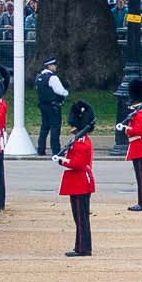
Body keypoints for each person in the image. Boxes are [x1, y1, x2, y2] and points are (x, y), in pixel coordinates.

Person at [55, 100, 94, 258]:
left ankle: (83, 248)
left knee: (80, 217)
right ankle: (81, 246)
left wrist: (62, 160)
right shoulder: (79, 141)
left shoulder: (81, 143)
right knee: (79, 217)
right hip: (79, 183)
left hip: (79, 183)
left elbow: (77, 163)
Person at [118, 78, 142, 211]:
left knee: (141, 176)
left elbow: (137, 131)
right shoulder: (140, 112)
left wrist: (125, 128)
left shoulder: (141, 113)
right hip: (139, 146)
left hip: (140, 147)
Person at [34, 58, 67, 155]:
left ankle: (41, 149)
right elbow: (60, 91)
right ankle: (56, 150)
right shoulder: (52, 77)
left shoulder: (39, 78)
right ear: (49, 66)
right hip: (53, 106)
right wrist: (66, 93)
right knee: (55, 127)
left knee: (44, 127)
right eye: (54, 65)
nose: (55, 66)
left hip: (43, 105)